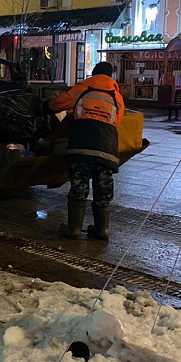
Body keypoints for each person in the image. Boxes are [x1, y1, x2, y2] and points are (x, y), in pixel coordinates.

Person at [44, 61, 125, 241]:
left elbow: (59, 104)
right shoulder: (116, 96)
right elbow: (116, 120)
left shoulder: (84, 87)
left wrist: (45, 106)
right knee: (103, 187)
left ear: (94, 73)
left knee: (79, 186)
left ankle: (73, 228)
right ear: (110, 76)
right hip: (107, 148)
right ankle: (101, 229)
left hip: (82, 144)